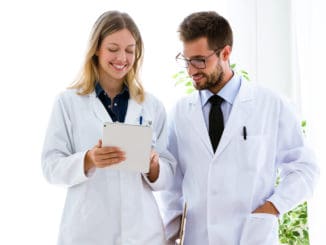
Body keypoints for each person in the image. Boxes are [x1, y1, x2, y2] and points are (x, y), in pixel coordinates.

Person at [160, 11, 319, 245]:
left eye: (200, 60)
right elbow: (171, 187)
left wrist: (272, 208)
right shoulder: (180, 113)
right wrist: (170, 236)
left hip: (251, 236)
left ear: (225, 53)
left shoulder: (270, 104)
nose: (191, 70)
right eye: (186, 60)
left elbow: (305, 168)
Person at [41, 10, 175, 245]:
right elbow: (51, 167)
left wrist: (154, 166)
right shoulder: (68, 103)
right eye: (113, 49)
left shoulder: (152, 106)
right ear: (97, 49)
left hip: (143, 233)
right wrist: (89, 159)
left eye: (130, 50)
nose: (122, 58)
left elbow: (168, 175)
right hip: (89, 231)